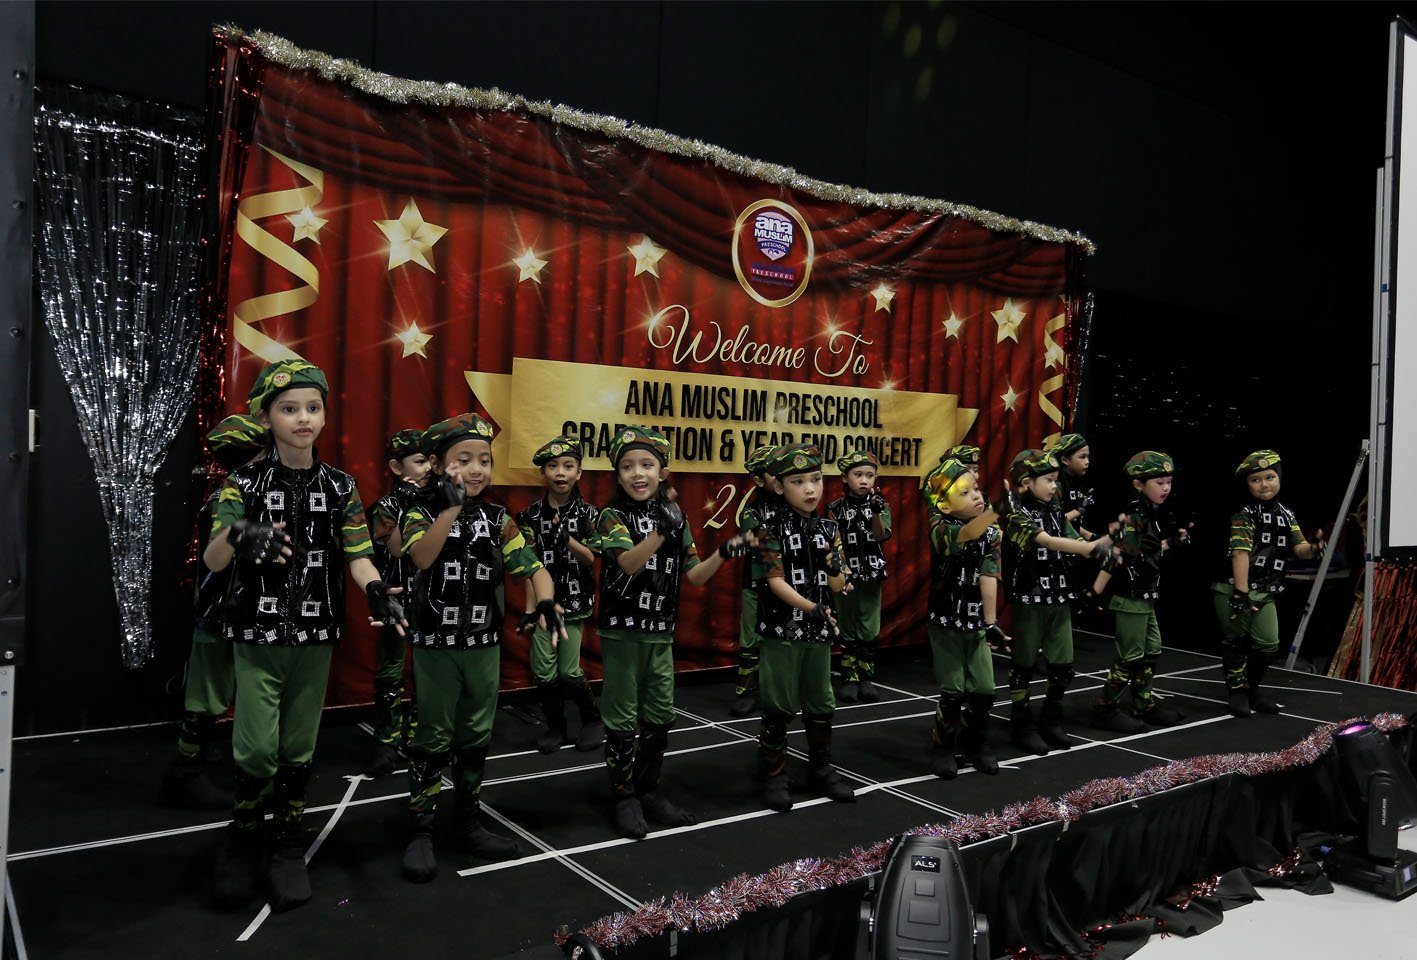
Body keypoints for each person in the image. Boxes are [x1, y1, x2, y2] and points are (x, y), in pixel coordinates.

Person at [205, 359, 404, 912]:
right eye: (289, 408)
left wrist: (374, 588)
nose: (303, 418)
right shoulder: (242, 484)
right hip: (257, 631)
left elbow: (359, 554)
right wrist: (238, 535)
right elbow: (214, 559)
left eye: (312, 408)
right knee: (256, 747)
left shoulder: (341, 486)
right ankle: (244, 835)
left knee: (298, 745)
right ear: (266, 417)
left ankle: (288, 842)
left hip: (316, 633)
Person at [398, 413, 565, 882]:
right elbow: (421, 557)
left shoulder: (498, 519)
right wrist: (449, 510)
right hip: (435, 646)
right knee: (432, 737)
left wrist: (546, 598)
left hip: (484, 645)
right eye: (463, 459)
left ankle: (468, 821)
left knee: (475, 736)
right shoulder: (419, 513)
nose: (476, 469)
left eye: (484, 460)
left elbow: (533, 567)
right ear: (436, 465)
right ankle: (421, 829)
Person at [595, 425, 756, 839]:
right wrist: (660, 532)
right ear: (618, 476)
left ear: (662, 472)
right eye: (628, 466)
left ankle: (648, 790)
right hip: (622, 633)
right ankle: (623, 796)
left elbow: (695, 575)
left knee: (659, 717)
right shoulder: (611, 516)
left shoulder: (675, 518)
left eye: (647, 465)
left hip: (661, 633)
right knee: (621, 719)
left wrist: (724, 552)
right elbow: (627, 563)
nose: (638, 473)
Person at [159, 413, 268, 810]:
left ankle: (199, 755)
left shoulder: (237, 493)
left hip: (231, 609)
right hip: (221, 611)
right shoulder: (230, 498)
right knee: (206, 697)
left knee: (215, 693)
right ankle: (184, 772)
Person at [753, 443, 856, 811]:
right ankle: (775, 775)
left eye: (816, 479)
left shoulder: (829, 528)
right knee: (778, 705)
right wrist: (811, 608)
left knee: (820, 702)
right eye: (798, 482)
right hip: (782, 630)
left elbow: (837, 584)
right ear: (779, 486)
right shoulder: (768, 528)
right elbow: (774, 581)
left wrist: (834, 567)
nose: (811, 489)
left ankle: (821, 769)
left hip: (818, 631)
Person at [1001, 449, 1113, 756]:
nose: (1054, 486)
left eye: (1055, 479)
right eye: (1048, 480)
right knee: (1023, 665)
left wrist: (1105, 541)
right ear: (1026, 482)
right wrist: (1091, 548)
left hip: (1059, 597)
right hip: (1030, 599)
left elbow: (1074, 540)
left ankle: (1051, 718)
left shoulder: (1055, 511)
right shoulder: (1016, 515)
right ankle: (1021, 722)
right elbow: (1048, 542)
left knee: (1063, 666)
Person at [1211, 449, 1324, 717]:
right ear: (1247, 484)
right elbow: (1240, 553)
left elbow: (1299, 547)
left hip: (1266, 590)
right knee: (1236, 642)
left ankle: (1251, 688)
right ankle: (1237, 691)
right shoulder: (1244, 513)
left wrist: (1314, 548)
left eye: (1270, 477)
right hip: (1235, 587)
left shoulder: (1286, 513)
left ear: (1279, 478)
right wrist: (1241, 593)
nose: (1264, 484)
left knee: (1268, 644)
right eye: (1256, 480)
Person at [516, 435, 604, 753]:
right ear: (543, 472)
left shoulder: (590, 514)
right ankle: (556, 726)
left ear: (579, 472)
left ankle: (592, 719)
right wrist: (532, 609)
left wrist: (566, 539)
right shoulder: (528, 517)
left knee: (568, 671)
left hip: (575, 602)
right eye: (553, 466)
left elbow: (591, 558)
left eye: (568, 466)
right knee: (544, 672)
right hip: (544, 605)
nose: (560, 472)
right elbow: (527, 566)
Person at [1088, 451, 1188, 732]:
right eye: (1159, 482)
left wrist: (1171, 543)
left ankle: (1143, 703)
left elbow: (1146, 552)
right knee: (1130, 656)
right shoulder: (1135, 513)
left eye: (1169, 482)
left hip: (1145, 593)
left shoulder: (1149, 512)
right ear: (1138, 484)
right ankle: (1105, 708)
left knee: (1151, 650)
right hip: (1130, 595)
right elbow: (1118, 554)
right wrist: (1094, 592)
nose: (1166, 488)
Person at [922, 459, 1008, 778]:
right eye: (964, 492)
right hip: (945, 623)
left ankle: (976, 743)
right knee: (953, 691)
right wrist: (1000, 508)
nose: (976, 496)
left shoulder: (991, 533)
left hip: (974, 624)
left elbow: (988, 574)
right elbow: (968, 533)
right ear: (944, 505)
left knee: (984, 690)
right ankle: (943, 746)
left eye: (976, 488)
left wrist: (991, 621)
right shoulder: (940, 528)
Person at [364, 428, 432, 777]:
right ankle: (386, 741)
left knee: (428, 672)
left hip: (432, 599)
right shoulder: (385, 507)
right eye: (419, 461)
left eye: (430, 461)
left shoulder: (440, 503)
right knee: (391, 672)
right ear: (396, 466)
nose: (428, 468)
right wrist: (406, 505)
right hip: (396, 600)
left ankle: (419, 736)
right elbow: (396, 548)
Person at [829, 449, 892, 702]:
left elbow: (881, 536)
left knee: (869, 625)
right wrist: (842, 572)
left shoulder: (881, 505)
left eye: (869, 475)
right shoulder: (835, 508)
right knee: (847, 623)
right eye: (858, 475)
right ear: (845, 478)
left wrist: (875, 512)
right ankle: (849, 677)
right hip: (845, 573)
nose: (864, 480)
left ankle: (866, 676)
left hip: (871, 572)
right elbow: (833, 543)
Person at [731, 444, 779, 718]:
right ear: (760, 481)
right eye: (775, 473)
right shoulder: (753, 512)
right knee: (750, 638)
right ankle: (746, 691)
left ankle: (776, 690)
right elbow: (760, 543)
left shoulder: (799, 506)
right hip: (756, 584)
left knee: (782, 636)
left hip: (790, 585)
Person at [1047, 433, 1095, 539]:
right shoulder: (1055, 485)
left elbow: (1069, 524)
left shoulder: (1074, 481)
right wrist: (1079, 510)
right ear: (1065, 460)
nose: (1087, 462)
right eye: (1082, 457)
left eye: (1088, 456)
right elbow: (1054, 521)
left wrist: (1090, 536)